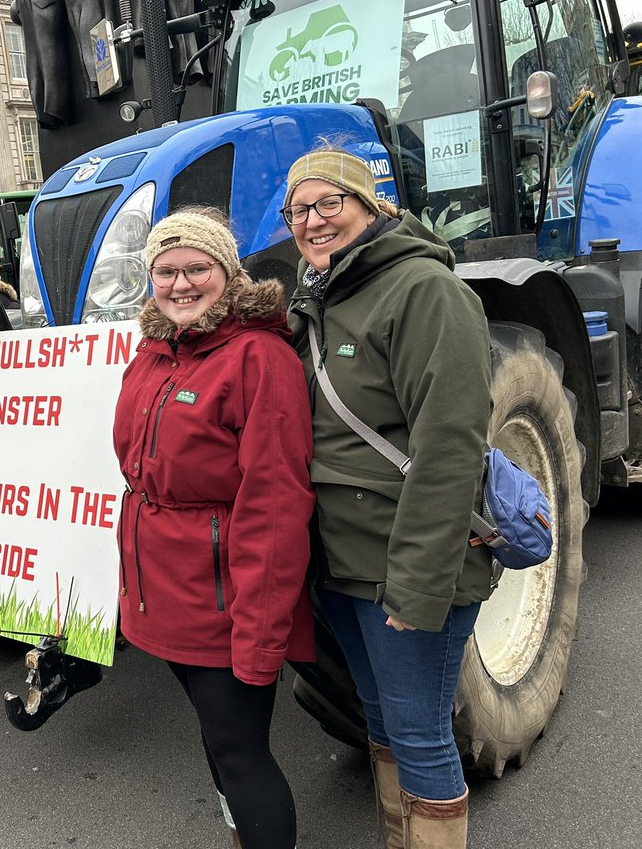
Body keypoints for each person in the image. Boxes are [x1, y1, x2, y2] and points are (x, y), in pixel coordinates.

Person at [283, 147, 492, 849]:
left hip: (401, 571)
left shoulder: (423, 291)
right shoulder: (314, 295)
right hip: (341, 567)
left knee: (421, 736)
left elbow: (450, 446)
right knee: (380, 726)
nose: (313, 221)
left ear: (369, 206)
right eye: (298, 210)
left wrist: (417, 584)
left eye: (328, 204)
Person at [112, 209, 315, 849]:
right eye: (165, 271)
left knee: (240, 753)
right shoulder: (152, 355)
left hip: (226, 601)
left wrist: (259, 630)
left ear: (227, 276)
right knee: (217, 740)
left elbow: (275, 506)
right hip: (166, 594)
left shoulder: (259, 357)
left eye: (196, 268)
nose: (180, 283)